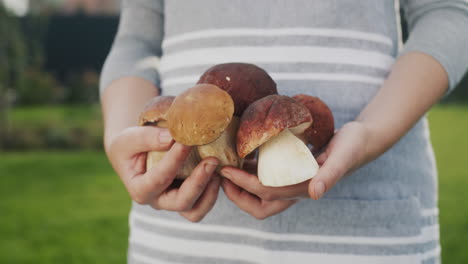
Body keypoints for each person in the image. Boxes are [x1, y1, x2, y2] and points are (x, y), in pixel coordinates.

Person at [100, 0, 468, 263]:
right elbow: (137, 38)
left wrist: (372, 134)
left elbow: (449, 12)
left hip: (363, 231)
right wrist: (122, 134)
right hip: (180, 235)